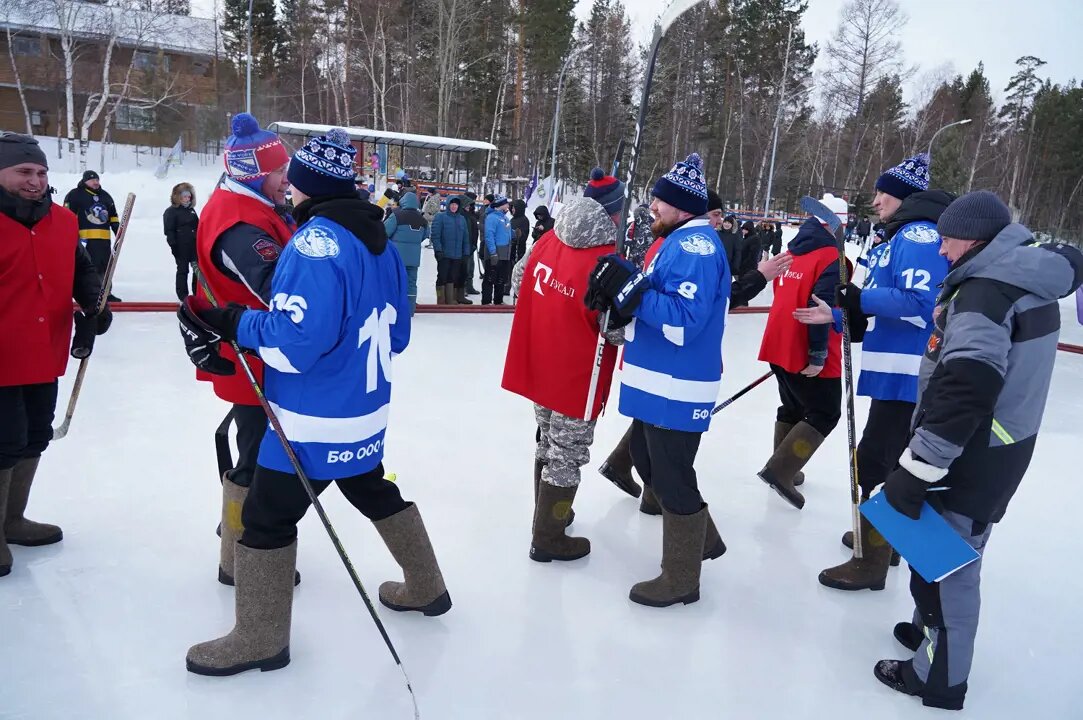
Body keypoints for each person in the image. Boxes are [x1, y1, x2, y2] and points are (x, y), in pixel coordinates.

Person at [180, 128, 451, 677]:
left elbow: (295, 340)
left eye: (293, 181)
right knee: (371, 488)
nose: (288, 191)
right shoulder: (378, 237)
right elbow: (397, 334)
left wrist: (233, 321)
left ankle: (259, 639)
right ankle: (427, 586)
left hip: (310, 420)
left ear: (306, 186)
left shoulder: (315, 242)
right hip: (363, 409)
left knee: (266, 518)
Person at [868, 191, 1082, 710]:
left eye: (946, 239)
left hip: (971, 451)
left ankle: (938, 676)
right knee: (940, 551)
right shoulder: (1025, 275)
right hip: (1002, 443)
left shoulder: (986, 295)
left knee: (948, 566)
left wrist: (918, 467)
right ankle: (929, 635)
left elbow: (966, 388)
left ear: (975, 239)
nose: (940, 250)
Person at [587, 153, 730, 607]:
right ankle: (702, 540)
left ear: (683, 208)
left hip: (678, 384)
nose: (652, 207)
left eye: (659, 202)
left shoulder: (696, 249)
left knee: (670, 476)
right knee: (649, 465)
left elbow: (685, 322)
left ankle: (682, 578)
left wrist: (633, 293)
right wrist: (627, 295)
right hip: (658, 381)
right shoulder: (676, 240)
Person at [817, 153, 954, 591]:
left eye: (882, 194)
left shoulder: (917, 234)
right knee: (884, 460)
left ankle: (873, 560)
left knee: (879, 462)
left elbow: (920, 303)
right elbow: (877, 307)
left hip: (907, 375)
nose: (874, 201)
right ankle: (883, 540)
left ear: (903, 198)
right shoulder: (897, 237)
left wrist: (857, 300)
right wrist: (841, 314)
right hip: (894, 372)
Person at [187, 113, 296, 587]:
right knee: (258, 460)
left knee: (260, 453)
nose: (286, 179)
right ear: (253, 172)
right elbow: (279, 288)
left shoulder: (253, 207)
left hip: (260, 352)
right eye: (278, 172)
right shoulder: (237, 220)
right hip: (254, 357)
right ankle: (242, 555)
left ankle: (239, 541)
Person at [501, 168, 627, 563]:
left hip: (539, 360)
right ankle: (548, 537)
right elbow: (615, 331)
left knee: (546, 438)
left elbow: (519, 282)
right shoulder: (606, 260)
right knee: (567, 454)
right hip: (577, 372)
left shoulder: (549, 238)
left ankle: (548, 515)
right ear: (612, 213)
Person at [0, 133, 112, 577]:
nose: (35, 181)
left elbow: (81, 272)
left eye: (41, 172)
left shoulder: (64, 222)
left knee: (34, 435)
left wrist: (92, 309)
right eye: (23, 172)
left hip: (44, 353)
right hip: (3, 355)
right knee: (3, 442)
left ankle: (12, 519)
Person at [755, 194, 848, 510]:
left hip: (778, 341)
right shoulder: (831, 257)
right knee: (825, 411)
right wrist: (818, 353)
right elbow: (819, 304)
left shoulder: (792, 251)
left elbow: (780, 289)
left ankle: (783, 467)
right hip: (805, 345)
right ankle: (781, 471)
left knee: (792, 406)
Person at [64, 169, 121, 302]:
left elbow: (113, 215)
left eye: (97, 179)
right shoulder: (75, 195)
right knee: (89, 266)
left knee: (105, 266)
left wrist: (117, 228)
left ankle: (106, 293)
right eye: (92, 180)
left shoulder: (105, 196)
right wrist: (70, 234)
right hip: (85, 240)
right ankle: (91, 294)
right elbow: (66, 216)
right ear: (85, 181)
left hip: (104, 240)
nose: (95, 182)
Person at [384, 190, 429, 315]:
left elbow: (385, 231)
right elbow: (426, 234)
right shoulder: (422, 219)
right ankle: (409, 310)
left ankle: (394, 309)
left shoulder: (397, 215)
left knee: (395, 281)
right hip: (414, 258)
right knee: (411, 283)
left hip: (397, 257)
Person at [430, 196, 471, 305]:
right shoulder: (440, 217)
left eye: (456, 204)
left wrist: (466, 253)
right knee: (442, 277)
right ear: (448, 205)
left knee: (452, 277)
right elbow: (435, 235)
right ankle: (441, 299)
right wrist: (438, 250)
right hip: (444, 254)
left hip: (457, 255)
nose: (454, 206)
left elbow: (466, 238)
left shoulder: (461, 219)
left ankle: (450, 299)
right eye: (452, 204)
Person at [163, 183, 199, 301]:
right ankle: (183, 295)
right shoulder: (171, 212)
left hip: (194, 246)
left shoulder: (191, 211)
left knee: (197, 271)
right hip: (181, 246)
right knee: (183, 270)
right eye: (184, 197)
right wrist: (174, 246)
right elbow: (169, 230)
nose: (187, 199)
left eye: (189, 197)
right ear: (178, 197)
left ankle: (197, 293)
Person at [482, 196, 512, 305]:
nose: (508, 206)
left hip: (505, 253)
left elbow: (504, 233)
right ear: (501, 205)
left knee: (501, 278)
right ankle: (486, 300)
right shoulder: (492, 217)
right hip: (495, 252)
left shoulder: (505, 218)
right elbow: (489, 235)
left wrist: (514, 233)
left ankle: (498, 300)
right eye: (506, 204)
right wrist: (493, 252)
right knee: (490, 277)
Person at [717, 214, 741, 279]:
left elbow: (737, 252)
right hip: (716, 263)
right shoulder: (717, 233)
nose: (726, 224)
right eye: (725, 222)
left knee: (725, 284)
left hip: (728, 264)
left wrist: (735, 265)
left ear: (732, 225)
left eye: (729, 223)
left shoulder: (735, 236)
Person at [509, 198, 530, 272]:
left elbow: (524, 235)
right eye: (512, 208)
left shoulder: (524, 220)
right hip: (510, 248)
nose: (513, 210)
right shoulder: (512, 219)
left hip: (519, 249)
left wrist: (517, 236)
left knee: (516, 267)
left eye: (514, 208)